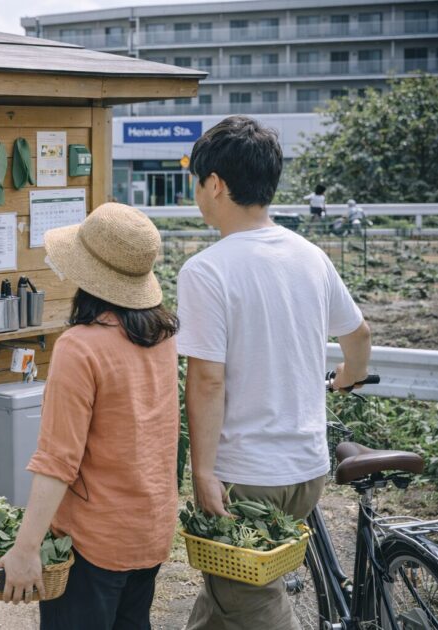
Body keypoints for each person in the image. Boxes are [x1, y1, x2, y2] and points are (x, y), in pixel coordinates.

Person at [178, 116, 371, 630]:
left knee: (252, 600)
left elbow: (207, 381)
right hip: (307, 469)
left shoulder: (206, 269)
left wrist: (202, 471)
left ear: (214, 183)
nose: (196, 193)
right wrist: (348, 378)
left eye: (196, 182)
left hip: (248, 474)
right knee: (229, 593)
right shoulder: (310, 256)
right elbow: (359, 338)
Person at [0, 203, 181, 630]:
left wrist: (26, 548)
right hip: (149, 528)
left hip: (93, 540)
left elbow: (58, 460)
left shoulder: (79, 346)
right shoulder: (162, 335)